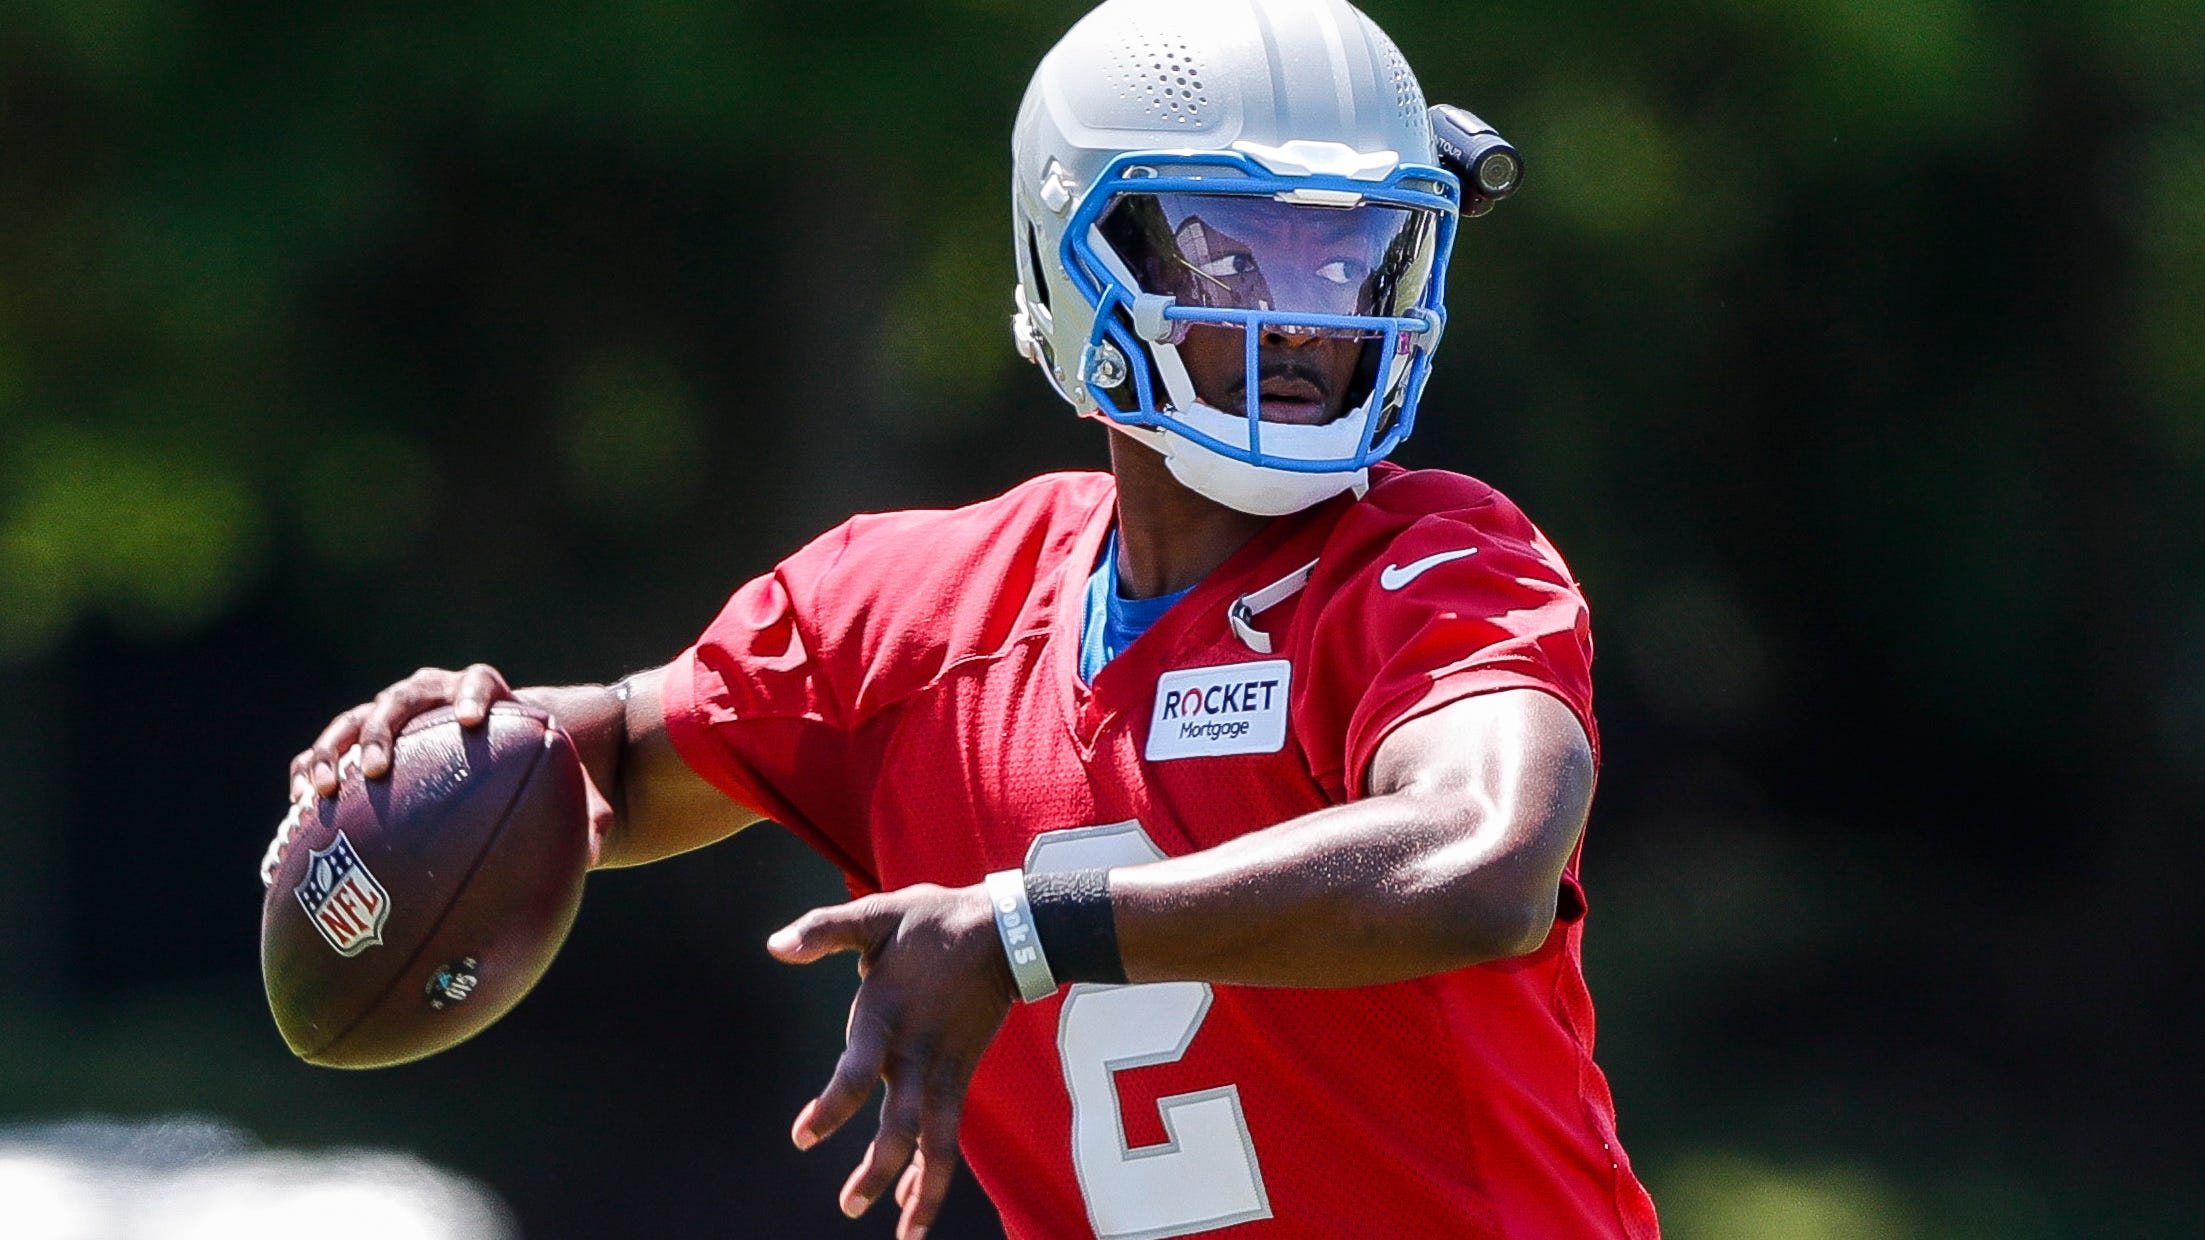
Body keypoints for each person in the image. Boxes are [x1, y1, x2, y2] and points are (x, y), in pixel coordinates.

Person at [276, 1, 1660, 1236]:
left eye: (1348, 250)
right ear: (1076, 254)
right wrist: (466, 741)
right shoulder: (912, 610)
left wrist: (1031, 925)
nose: (1306, 316)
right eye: (1235, 250)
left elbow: (1482, 863)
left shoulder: (1432, 563)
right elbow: (618, 770)